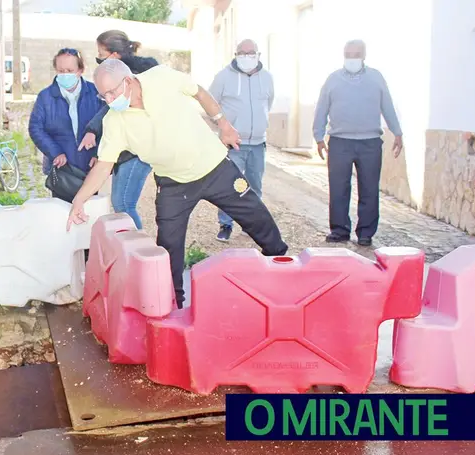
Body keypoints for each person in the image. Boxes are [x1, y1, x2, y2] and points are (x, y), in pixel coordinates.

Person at [67, 59, 289, 309]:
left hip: (214, 167)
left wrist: (224, 125)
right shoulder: (114, 121)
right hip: (173, 184)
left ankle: (283, 266)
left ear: (128, 81)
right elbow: (104, 165)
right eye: (102, 95)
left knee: (256, 216)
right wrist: (79, 199)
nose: (108, 100)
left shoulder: (162, 77)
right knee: (168, 247)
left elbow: (199, 92)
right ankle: (173, 304)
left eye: (112, 92)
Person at [313, 39, 403, 247]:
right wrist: (318, 137)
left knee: (369, 189)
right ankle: (339, 229)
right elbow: (321, 108)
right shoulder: (333, 80)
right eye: (348, 54)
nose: (352, 58)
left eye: (356, 54)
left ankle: (365, 233)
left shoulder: (376, 78)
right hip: (340, 142)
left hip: (369, 143)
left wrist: (397, 132)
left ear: (364, 56)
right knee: (338, 188)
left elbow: (387, 105)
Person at [76, 30, 158, 229]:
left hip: (136, 150)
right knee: (121, 202)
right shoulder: (114, 81)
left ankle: (137, 247)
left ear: (114, 55)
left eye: (101, 55)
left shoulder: (138, 76)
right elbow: (109, 111)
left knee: (123, 203)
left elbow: (108, 108)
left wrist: (92, 130)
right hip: (123, 148)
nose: (98, 59)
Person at [208, 39, 275, 242]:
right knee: (230, 185)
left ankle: (252, 225)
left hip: (258, 143)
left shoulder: (267, 78)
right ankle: (225, 225)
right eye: (242, 53)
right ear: (236, 54)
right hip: (233, 143)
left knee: (255, 186)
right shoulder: (223, 77)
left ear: (258, 55)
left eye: (251, 52)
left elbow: (268, 104)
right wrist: (224, 127)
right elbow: (210, 103)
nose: (247, 56)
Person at [28, 48, 104, 203]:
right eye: (61, 71)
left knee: (89, 210)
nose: (65, 75)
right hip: (62, 168)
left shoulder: (96, 93)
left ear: (80, 70)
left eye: (70, 70)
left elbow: (106, 124)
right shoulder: (46, 96)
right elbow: (36, 128)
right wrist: (55, 152)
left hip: (88, 166)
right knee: (61, 212)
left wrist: (99, 155)